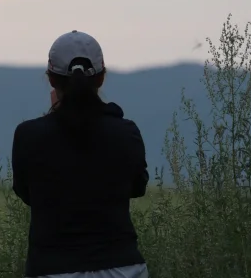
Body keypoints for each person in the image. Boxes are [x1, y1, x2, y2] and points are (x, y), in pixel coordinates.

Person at [11, 30, 149, 278]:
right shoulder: (126, 132)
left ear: (52, 79)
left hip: (52, 269)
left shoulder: (28, 135)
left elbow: (27, 193)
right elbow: (137, 187)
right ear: (101, 78)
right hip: (123, 267)